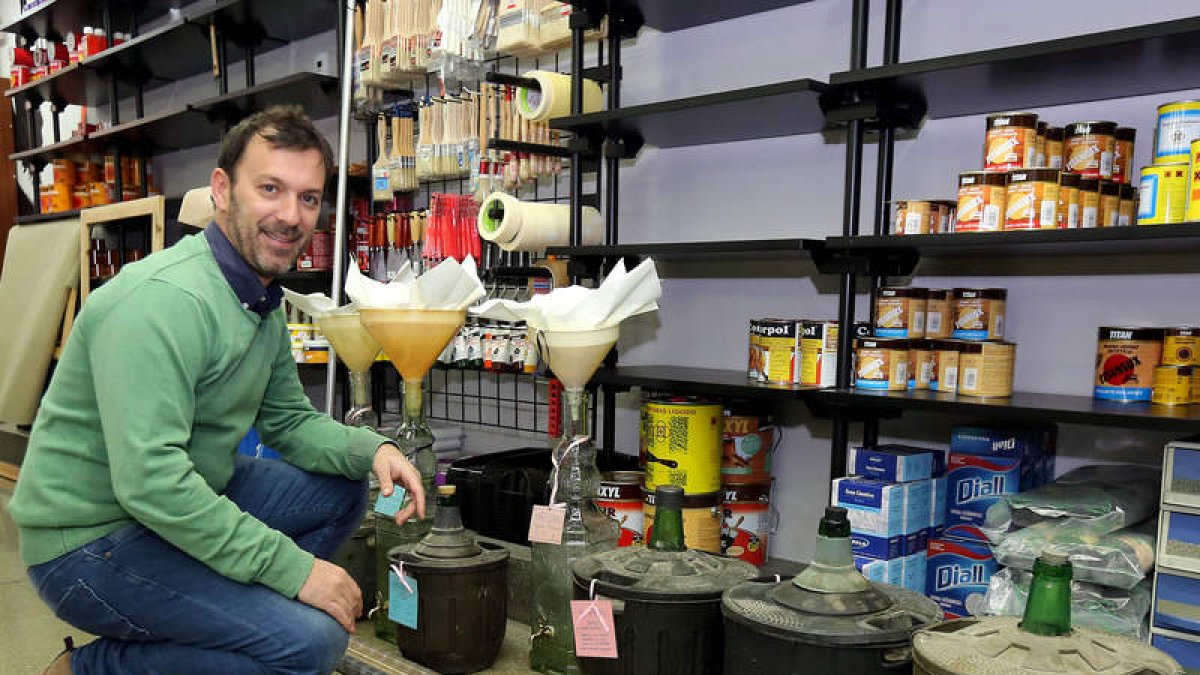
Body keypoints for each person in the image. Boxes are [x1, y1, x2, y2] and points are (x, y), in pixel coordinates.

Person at [8, 105, 426, 675]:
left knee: (342, 487)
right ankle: (92, 670)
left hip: (179, 494)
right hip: (89, 540)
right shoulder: (162, 303)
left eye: (308, 197)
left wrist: (373, 449)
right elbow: (152, 483)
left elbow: (289, 423)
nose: (291, 215)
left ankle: (241, 624)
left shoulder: (258, 300)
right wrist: (295, 571)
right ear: (223, 190)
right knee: (311, 643)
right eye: (270, 189)